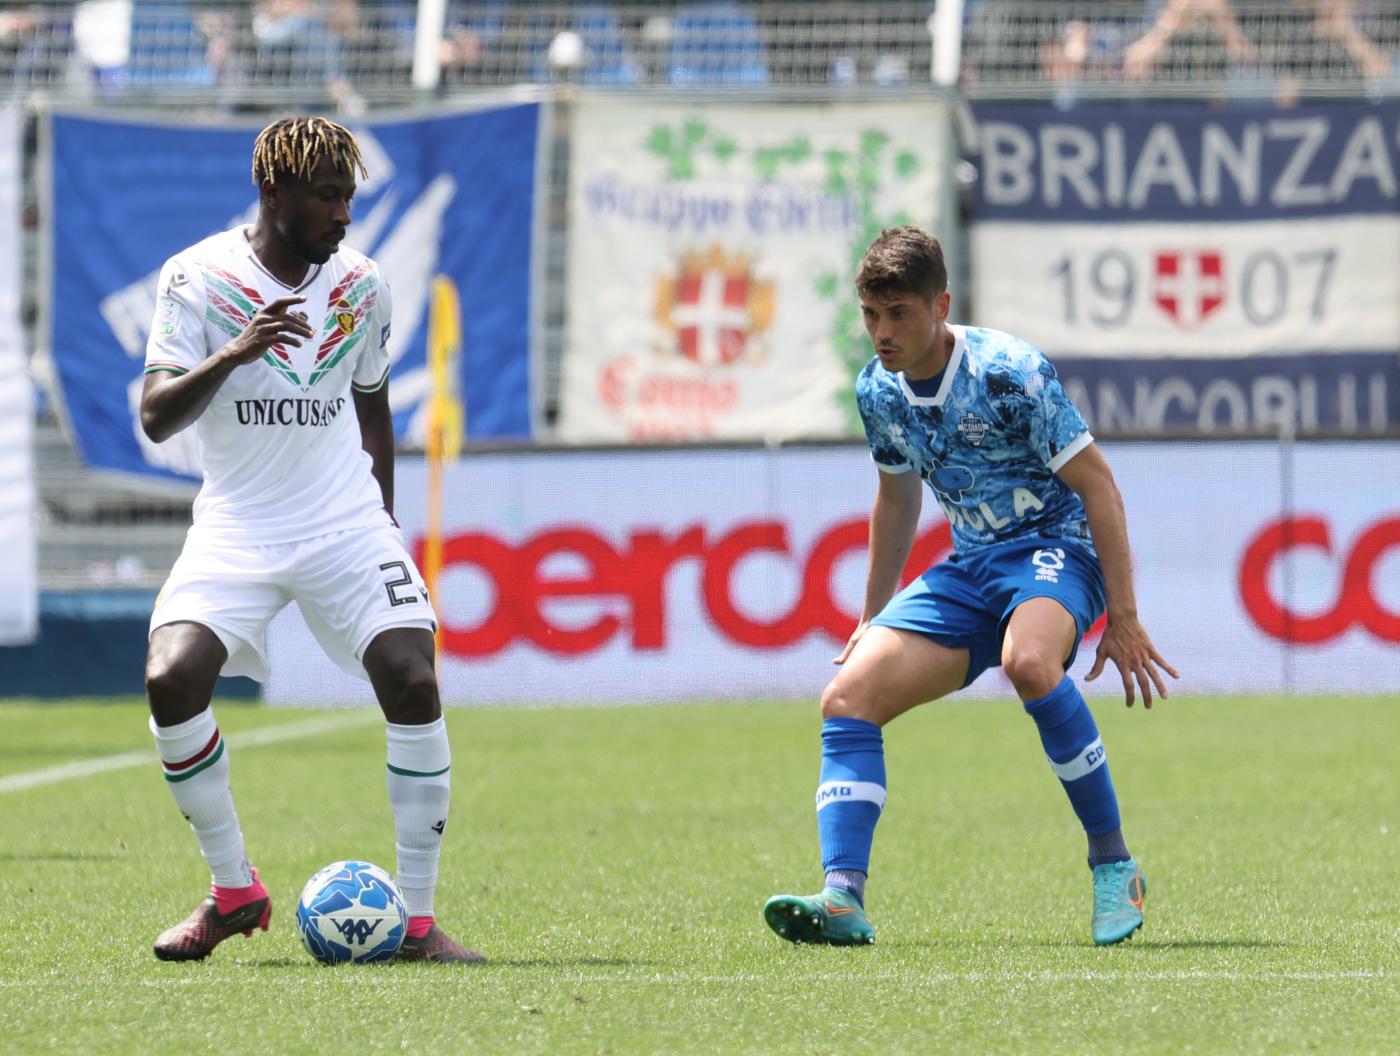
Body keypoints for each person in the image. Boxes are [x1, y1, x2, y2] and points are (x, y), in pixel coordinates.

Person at [763, 226, 1177, 948]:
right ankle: (842, 897)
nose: (883, 333)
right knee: (847, 697)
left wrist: (1124, 615)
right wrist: (870, 617)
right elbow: (897, 499)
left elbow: (1099, 488)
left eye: (899, 314)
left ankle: (1115, 865)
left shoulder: (1010, 372)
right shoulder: (878, 389)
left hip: (1055, 550)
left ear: (940, 305)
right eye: (871, 315)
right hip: (973, 568)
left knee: (1029, 662)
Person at [140, 116, 480, 964]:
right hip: (238, 527)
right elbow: (156, 416)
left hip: (343, 523)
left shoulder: (363, 285)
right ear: (273, 192)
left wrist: (384, 522)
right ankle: (233, 893)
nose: (343, 215)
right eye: (328, 197)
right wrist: (234, 353)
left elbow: (374, 410)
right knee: (171, 678)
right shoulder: (195, 278)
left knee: (413, 677)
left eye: (349, 198)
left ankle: (418, 923)